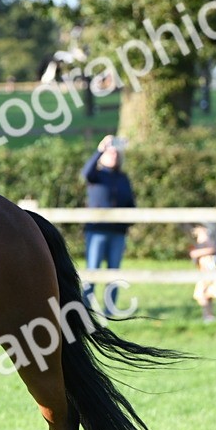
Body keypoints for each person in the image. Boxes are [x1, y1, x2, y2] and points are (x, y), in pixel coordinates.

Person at [81, 134, 135, 313]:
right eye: (109, 153)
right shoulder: (96, 175)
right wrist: (100, 149)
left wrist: (128, 222)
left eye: (115, 153)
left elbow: (130, 203)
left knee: (114, 273)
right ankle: (85, 310)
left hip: (118, 232)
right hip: (97, 231)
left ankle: (109, 311)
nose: (113, 156)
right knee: (92, 272)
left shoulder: (122, 178)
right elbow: (86, 173)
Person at [188, 223, 216, 323]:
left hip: (208, 271)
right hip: (203, 271)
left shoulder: (207, 240)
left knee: (204, 294)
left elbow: (212, 249)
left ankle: (208, 316)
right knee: (204, 295)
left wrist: (196, 253)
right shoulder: (201, 240)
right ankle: (208, 316)